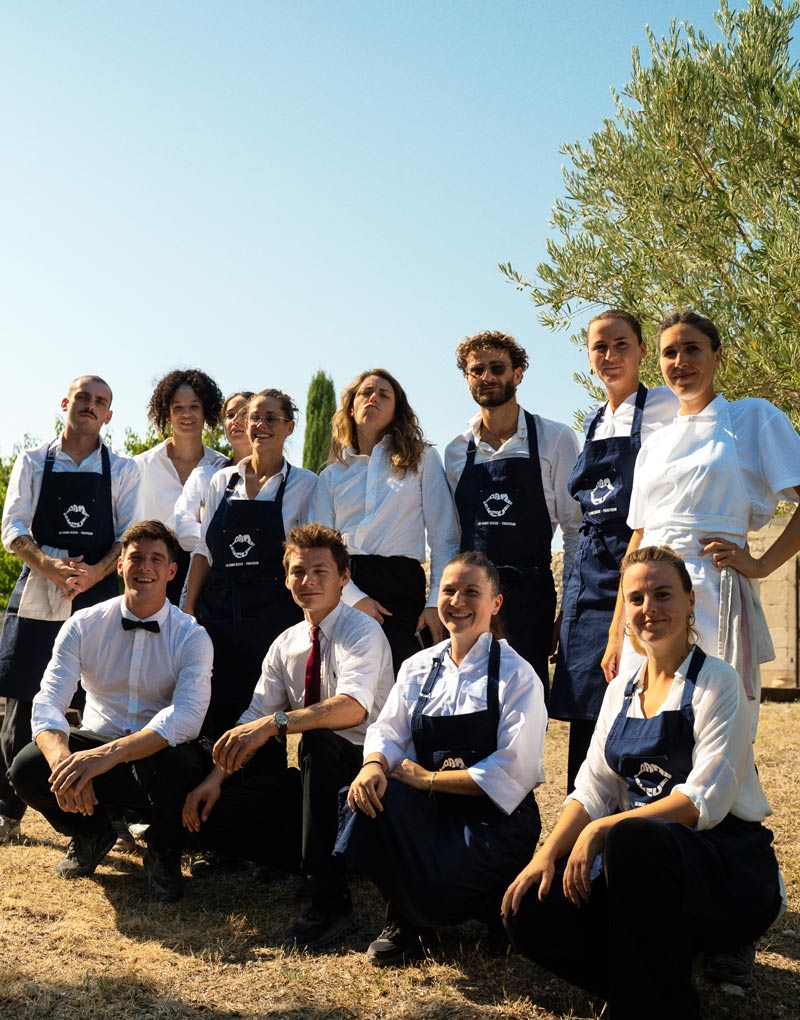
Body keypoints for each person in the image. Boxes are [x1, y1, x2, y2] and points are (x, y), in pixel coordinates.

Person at [503, 546, 783, 1020]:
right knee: (527, 910)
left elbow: (701, 802)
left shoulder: (718, 681)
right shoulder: (621, 689)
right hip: (635, 868)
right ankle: (648, 985)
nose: (649, 608)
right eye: (636, 598)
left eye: (663, 594)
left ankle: (657, 1002)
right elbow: (592, 787)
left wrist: (600, 831)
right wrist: (544, 856)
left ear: (690, 600)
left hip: (722, 867)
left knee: (633, 837)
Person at [181, 523, 394, 950]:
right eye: (298, 572)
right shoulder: (285, 643)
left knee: (315, 743)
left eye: (320, 571)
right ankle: (306, 861)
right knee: (227, 777)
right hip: (320, 783)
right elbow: (254, 715)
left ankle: (330, 904)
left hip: (373, 778)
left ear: (344, 578)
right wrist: (212, 779)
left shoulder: (362, 631)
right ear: (286, 579)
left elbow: (353, 708)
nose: (308, 581)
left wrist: (277, 724)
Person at [336, 551, 546, 966]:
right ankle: (406, 920)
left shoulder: (518, 675)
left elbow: (514, 769)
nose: (458, 601)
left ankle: (494, 910)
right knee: (362, 801)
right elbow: (388, 731)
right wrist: (373, 766)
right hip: (433, 813)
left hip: (492, 819)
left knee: (450, 886)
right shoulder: (418, 666)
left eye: (472, 592)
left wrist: (428, 780)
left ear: (495, 603)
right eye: (449, 590)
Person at [603, 310, 800, 736]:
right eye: (669, 352)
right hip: (647, 606)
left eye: (692, 348)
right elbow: (639, 534)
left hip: (713, 596)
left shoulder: (753, 418)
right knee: (641, 727)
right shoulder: (654, 442)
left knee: (714, 727)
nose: (680, 361)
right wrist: (617, 631)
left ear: (718, 356)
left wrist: (762, 565)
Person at [9, 521, 213, 903]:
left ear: (172, 571)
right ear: (120, 564)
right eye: (135, 557)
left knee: (182, 764)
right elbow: (49, 701)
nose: (144, 567)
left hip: (153, 754)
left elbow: (187, 717)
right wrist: (63, 763)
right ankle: (92, 831)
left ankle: (163, 850)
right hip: (96, 746)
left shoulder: (191, 635)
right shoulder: (83, 624)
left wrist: (108, 756)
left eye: (156, 559)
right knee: (27, 767)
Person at [0, 375, 141, 843]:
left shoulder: (121, 468)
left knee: (98, 701)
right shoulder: (34, 461)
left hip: (99, 594)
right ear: (65, 403)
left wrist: (93, 575)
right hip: (41, 592)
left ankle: (102, 815)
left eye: (101, 401)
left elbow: (127, 534)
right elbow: (13, 527)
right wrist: (50, 568)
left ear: (109, 415)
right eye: (83, 397)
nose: (90, 405)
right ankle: (8, 812)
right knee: (23, 699)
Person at [550, 311, 678, 790]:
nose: (610, 356)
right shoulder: (593, 420)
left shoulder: (665, 407)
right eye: (599, 347)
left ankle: (636, 822)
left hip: (638, 566)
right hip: (589, 572)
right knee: (587, 710)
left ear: (643, 350)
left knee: (642, 701)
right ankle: (578, 824)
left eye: (621, 344)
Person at [445, 331, 582, 691]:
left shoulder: (555, 439)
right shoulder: (456, 451)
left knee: (526, 700)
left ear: (518, 374)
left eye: (497, 368)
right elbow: (451, 534)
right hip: (471, 600)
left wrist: (569, 607)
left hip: (530, 598)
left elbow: (575, 529)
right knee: (470, 697)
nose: (487, 377)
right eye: (477, 370)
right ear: (467, 378)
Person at [183, 389, 318, 739]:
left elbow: (312, 556)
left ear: (289, 427)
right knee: (211, 717)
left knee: (261, 722)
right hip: (218, 616)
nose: (260, 425)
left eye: (271, 418)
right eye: (254, 417)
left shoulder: (307, 484)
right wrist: (188, 610)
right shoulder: (221, 481)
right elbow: (204, 551)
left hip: (272, 619)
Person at [310, 369, 459, 674]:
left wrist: (434, 603)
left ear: (396, 410)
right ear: (351, 406)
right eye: (366, 392)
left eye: (384, 394)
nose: (373, 397)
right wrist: (352, 597)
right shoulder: (331, 476)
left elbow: (444, 537)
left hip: (401, 589)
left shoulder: (422, 459)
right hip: (343, 586)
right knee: (343, 684)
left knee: (401, 685)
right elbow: (318, 547)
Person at [134, 369, 225, 603]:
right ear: (166, 412)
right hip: (152, 574)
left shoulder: (222, 468)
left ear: (207, 411)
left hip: (208, 574)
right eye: (178, 407)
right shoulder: (141, 466)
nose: (187, 414)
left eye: (194, 406)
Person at [173, 390, 255, 584]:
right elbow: (183, 530)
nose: (235, 420)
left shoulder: (282, 479)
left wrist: (209, 527)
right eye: (230, 415)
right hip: (212, 582)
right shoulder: (205, 476)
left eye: (243, 414)